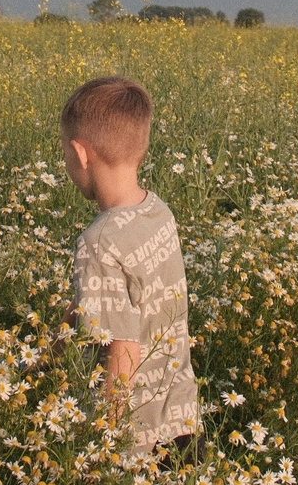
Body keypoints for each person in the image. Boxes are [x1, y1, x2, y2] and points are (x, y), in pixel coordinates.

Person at [60, 75, 200, 462]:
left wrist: (106, 449)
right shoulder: (157, 211)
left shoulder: (99, 242)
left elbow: (122, 354)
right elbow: (123, 303)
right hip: (183, 423)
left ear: (80, 154)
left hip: (140, 445)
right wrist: (51, 346)